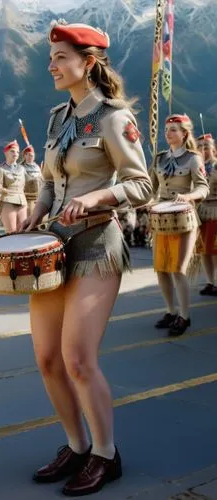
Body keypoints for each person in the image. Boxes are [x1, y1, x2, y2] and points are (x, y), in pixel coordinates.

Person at [21, 20, 152, 496]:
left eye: (60, 57)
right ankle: (75, 446)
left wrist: (97, 199)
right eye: (51, 57)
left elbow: (143, 184)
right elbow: (51, 181)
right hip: (53, 246)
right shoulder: (58, 116)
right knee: (48, 359)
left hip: (97, 244)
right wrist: (34, 215)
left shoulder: (114, 118)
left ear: (89, 62)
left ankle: (105, 454)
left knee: (78, 359)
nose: (50, 65)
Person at [150, 115, 209, 335]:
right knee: (161, 268)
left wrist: (188, 197)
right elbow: (149, 189)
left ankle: (185, 316)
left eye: (173, 130)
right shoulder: (158, 159)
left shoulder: (194, 159)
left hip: (184, 219)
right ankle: (171, 311)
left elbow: (203, 188)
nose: (168, 133)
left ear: (184, 133)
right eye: (167, 129)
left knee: (178, 268)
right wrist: (146, 202)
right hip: (160, 219)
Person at [196, 133, 217, 295]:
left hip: (216, 211)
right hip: (200, 213)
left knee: (216, 250)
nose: (203, 150)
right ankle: (210, 282)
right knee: (204, 250)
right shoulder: (195, 168)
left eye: (207, 147)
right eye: (200, 147)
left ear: (214, 150)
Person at [0, 140, 27, 232]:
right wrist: (4, 190)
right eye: (12, 151)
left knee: (22, 231)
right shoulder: (1, 169)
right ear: (6, 153)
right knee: (11, 232)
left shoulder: (22, 168)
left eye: (17, 152)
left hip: (22, 201)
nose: (15, 153)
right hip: (8, 200)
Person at [21, 144, 42, 216]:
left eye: (32, 155)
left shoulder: (37, 167)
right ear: (25, 156)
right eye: (29, 155)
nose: (31, 157)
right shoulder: (20, 167)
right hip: (25, 196)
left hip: (37, 196)